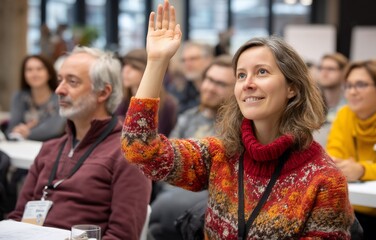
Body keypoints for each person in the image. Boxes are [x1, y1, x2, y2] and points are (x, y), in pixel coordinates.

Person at [121, 1, 354, 239]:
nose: (247, 83)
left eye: (262, 72)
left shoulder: (323, 179)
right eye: (241, 75)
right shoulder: (221, 154)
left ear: (292, 87)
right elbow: (140, 149)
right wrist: (157, 62)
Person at [8, 46, 151, 240]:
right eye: (60, 80)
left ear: (102, 93)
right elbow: (18, 219)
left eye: (72, 82)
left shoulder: (127, 154)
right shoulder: (50, 149)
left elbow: (121, 236)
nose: (59, 90)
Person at [149, 54, 235, 240]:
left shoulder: (235, 130)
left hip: (202, 206)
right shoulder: (187, 117)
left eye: (220, 84)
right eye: (209, 80)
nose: (210, 88)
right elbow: (164, 163)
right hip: (169, 197)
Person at [326, 59, 376, 239]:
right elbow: (333, 157)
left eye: (360, 85)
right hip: (350, 214)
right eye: (349, 85)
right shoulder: (344, 115)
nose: (352, 92)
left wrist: (361, 169)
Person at [115, 48, 177, 137]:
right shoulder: (121, 100)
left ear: (146, 71)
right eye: (124, 65)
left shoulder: (167, 104)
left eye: (133, 67)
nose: (126, 71)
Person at [6, 55, 65, 141]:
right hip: (23, 149)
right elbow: (11, 129)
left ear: (49, 73)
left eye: (39, 69)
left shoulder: (60, 97)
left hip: (52, 148)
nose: (34, 74)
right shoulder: (19, 97)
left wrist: (28, 132)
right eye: (29, 70)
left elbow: (55, 128)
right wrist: (17, 131)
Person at [166, 41, 213, 114]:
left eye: (193, 59)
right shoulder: (178, 90)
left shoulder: (218, 88)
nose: (187, 64)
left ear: (208, 60)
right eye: (184, 60)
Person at [317, 53, 349, 123]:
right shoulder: (310, 101)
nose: (324, 73)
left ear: (344, 72)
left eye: (330, 69)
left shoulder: (351, 103)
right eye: (321, 68)